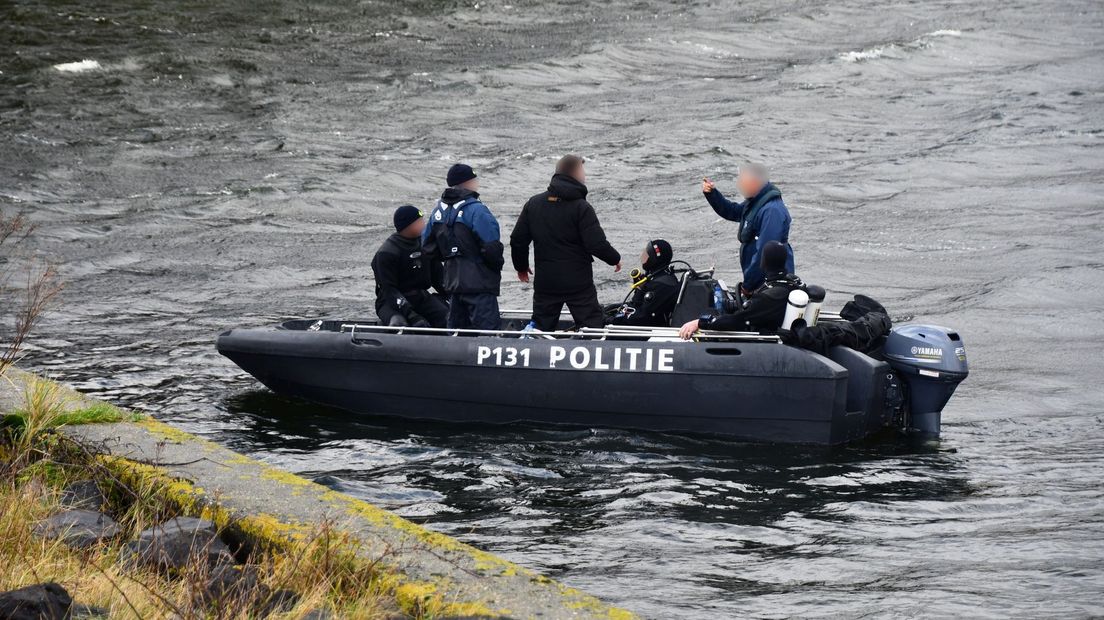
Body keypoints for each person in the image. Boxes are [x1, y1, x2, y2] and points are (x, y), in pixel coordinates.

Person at [510, 155, 621, 331]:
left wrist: (521, 267)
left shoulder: (534, 204)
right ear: (574, 173)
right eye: (582, 170)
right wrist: (614, 258)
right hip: (578, 284)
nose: (584, 175)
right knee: (592, 327)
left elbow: (518, 240)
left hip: (546, 282)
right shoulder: (581, 207)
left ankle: (537, 354)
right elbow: (596, 244)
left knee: (540, 328)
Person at [423, 163, 504, 330]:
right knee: (488, 335)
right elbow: (491, 248)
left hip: (453, 284)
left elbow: (428, 248)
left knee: (457, 333)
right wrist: (494, 267)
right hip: (479, 284)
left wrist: (451, 258)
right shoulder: (477, 210)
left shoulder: (437, 212)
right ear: (468, 183)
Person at [678, 241, 802, 339]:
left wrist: (699, 323)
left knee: (709, 312)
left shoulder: (768, 296)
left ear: (763, 262)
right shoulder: (791, 283)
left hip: (763, 340)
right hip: (772, 327)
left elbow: (738, 321)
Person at [702, 163, 794, 295]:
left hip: (770, 282)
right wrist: (712, 194)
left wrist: (748, 285)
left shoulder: (772, 211)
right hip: (757, 279)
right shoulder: (756, 201)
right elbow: (732, 212)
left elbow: (765, 251)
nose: (739, 185)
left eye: (742, 181)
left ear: (755, 182)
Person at [371, 205, 449, 328]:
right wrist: (412, 316)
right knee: (400, 324)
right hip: (391, 302)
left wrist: (456, 299)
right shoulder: (387, 253)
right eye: (419, 221)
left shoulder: (425, 245)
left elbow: (439, 279)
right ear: (407, 226)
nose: (423, 224)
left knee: (449, 318)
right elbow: (389, 291)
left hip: (420, 297)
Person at [608, 239, 680, 327]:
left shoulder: (662, 285)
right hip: (645, 322)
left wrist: (610, 321)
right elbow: (637, 305)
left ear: (654, 259)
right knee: (607, 310)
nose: (643, 257)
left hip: (651, 331)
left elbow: (642, 317)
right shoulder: (656, 276)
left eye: (646, 255)